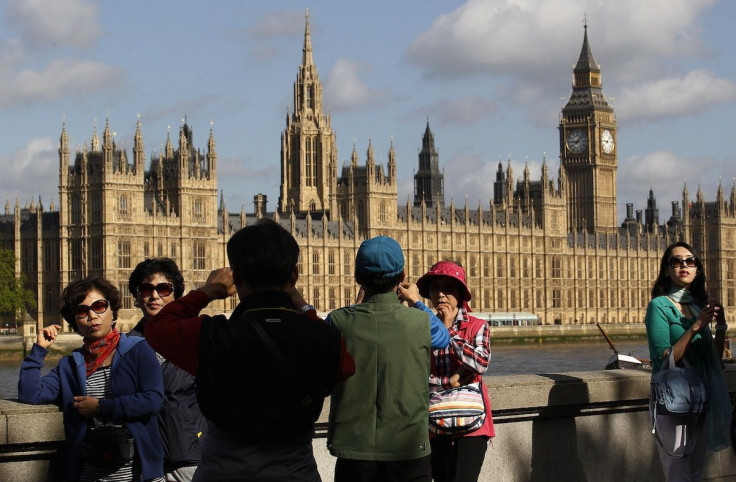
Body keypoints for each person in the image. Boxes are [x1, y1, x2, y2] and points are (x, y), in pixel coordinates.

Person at [144, 219, 355, 481]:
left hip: (224, 472)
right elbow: (347, 366)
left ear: (236, 277)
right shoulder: (321, 337)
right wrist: (302, 305)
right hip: (294, 473)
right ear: (294, 275)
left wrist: (209, 290)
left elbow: (158, 327)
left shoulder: (212, 335)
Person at [327, 236, 450, 482]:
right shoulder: (421, 322)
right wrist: (416, 301)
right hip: (408, 451)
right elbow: (443, 336)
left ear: (358, 278)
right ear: (402, 275)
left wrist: (356, 307)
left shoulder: (337, 321)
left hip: (354, 451)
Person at [18, 277, 164, 482]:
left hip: (138, 474)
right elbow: (30, 395)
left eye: (99, 306)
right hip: (90, 473)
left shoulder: (138, 350)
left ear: (112, 310)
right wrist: (39, 350)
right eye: (82, 311)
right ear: (75, 319)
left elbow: (153, 399)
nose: (92, 316)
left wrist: (101, 408)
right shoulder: (69, 365)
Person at [645, 241, 731, 481]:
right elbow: (664, 357)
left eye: (690, 261)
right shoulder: (658, 306)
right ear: (666, 270)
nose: (684, 265)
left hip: (699, 397)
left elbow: (711, 358)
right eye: (676, 261)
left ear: (697, 269)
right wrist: (695, 327)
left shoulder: (696, 306)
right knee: (678, 474)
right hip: (674, 401)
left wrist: (720, 325)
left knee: (694, 473)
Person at [405, 260, 495, 482]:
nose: (441, 294)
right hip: (436, 423)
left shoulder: (478, 326)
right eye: (435, 288)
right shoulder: (421, 326)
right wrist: (450, 381)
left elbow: (480, 363)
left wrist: (446, 331)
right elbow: (415, 376)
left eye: (448, 288)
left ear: (461, 293)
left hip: (473, 424)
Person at [128, 258, 207, 481]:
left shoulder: (195, 337)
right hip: (143, 459)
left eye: (163, 289)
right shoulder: (125, 347)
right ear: (136, 295)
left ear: (176, 295)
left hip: (190, 455)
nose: (154, 296)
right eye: (145, 288)